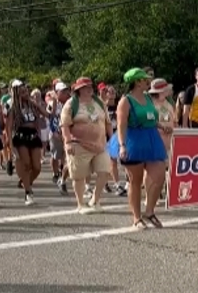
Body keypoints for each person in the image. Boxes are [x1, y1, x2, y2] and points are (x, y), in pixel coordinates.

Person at [115, 68, 168, 229]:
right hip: (134, 140)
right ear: (137, 82)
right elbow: (121, 125)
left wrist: (161, 125)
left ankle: (149, 211)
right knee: (135, 181)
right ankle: (136, 217)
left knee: (159, 176)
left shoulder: (148, 98)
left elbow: (150, 117)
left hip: (152, 138)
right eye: (145, 79)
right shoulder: (126, 101)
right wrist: (122, 146)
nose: (148, 81)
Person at [60, 77, 111, 214]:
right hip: (79, 144)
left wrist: (111, 138)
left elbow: (107, 122)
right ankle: (80, 204)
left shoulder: (99, 102)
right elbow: (65, 125)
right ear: (79, 90)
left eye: (90, 86)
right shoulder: (71, 104)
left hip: (99, 145)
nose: (90, 89)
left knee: (105, 171)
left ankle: (95, 200)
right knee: (79, 176)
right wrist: (68, 142)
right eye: (86, 87)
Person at [6, 80, 47, 205]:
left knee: (37, 167)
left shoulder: (32, 105)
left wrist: (36, 104)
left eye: (26, 91)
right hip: (21, 136)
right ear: (16, 94)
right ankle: (28, 192)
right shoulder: (13, 107)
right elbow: (8, 127)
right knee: (26, 164)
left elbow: (46, 114)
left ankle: (26, 181)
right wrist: (11, 145)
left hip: (33, 136)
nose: (25, 93)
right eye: (22, 92)